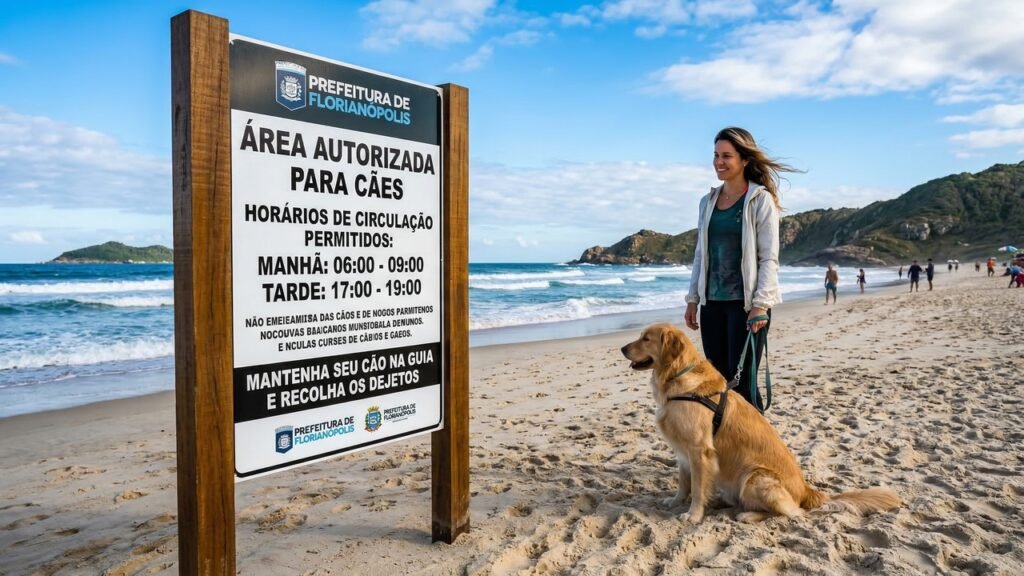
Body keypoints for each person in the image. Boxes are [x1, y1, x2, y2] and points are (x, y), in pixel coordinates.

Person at [684, 127, 798, 411]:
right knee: (718, 383)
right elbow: (701, 254)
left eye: (726, 156)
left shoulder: (760, 200)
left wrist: (760, 305)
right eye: (715, 155)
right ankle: (728, 448)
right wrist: (693, 299)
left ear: (745, 160)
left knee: (744, 385)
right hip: (712, 305)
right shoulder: (707, 201)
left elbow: (768, 258)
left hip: (746, 307)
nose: (718, 162)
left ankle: (759, 447)